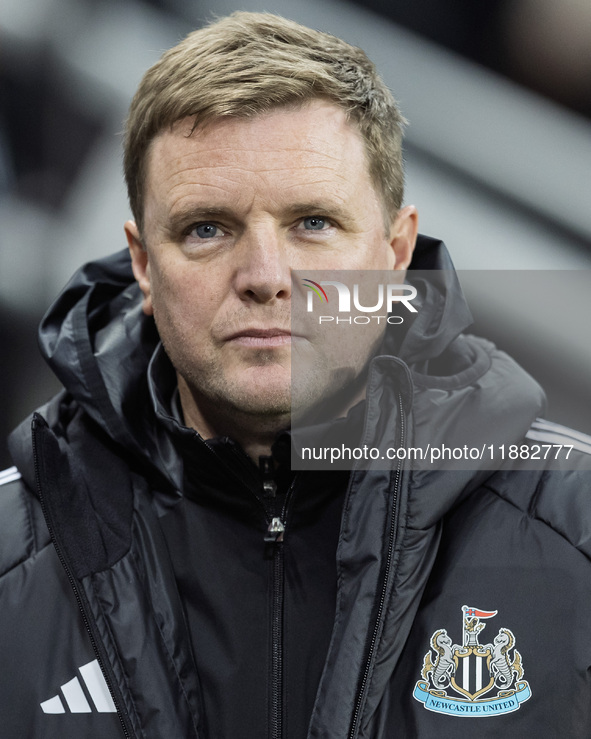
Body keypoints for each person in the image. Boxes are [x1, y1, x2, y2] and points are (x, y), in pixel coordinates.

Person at [1, 11, 590, 739]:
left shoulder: (576, 525)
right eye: (206, 228)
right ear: (144, 265)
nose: (265, 277)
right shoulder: (10, 556)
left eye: (312, 222)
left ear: (394, 251)